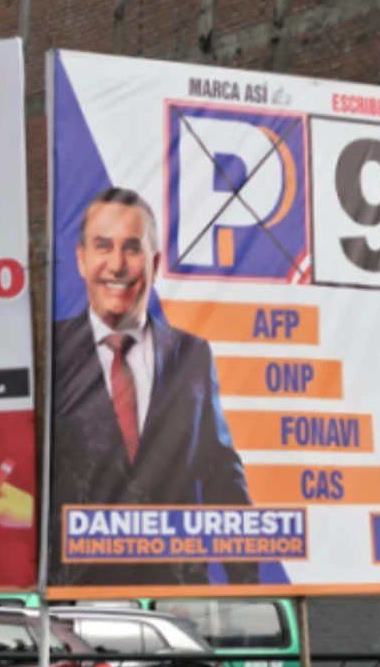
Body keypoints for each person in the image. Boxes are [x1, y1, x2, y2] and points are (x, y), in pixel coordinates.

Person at [45, 187, 258, 586]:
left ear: (155, 262)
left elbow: (221, 474)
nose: (116, 264)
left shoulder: (192, 355)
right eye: (102, 246)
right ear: (81, 258)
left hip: (174, 594)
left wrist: (249, 587)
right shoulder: (49, 354)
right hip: (73, 598)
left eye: (132, 249)